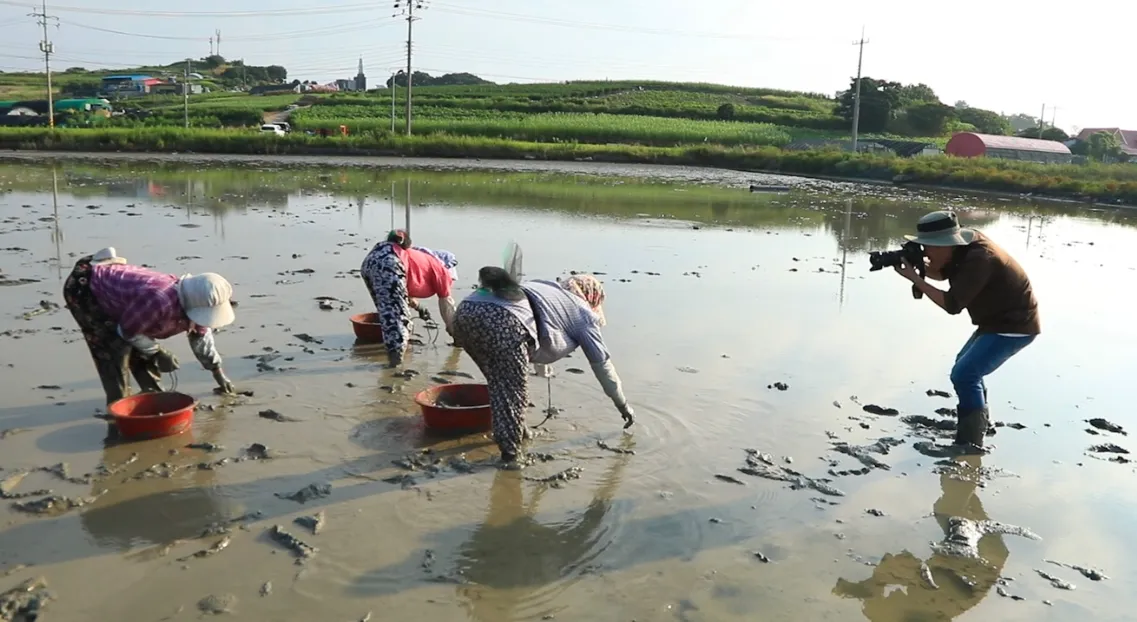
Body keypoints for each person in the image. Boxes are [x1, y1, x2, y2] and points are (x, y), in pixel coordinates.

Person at [451, 267, 634, 464]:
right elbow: (602, 365)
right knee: (512, 392)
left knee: (500, 381)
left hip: (465, 311)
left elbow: (538, 323)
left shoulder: (546, 287)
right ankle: (510, 457)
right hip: (503, 320)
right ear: (591, 299)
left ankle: (519, 430)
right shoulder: (583, 313)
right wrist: (623, 405)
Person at [894, 211, 1040, 451]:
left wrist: (916, 279)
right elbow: (943, 272)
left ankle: (970, 443)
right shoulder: (964, 249)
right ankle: (980, 425)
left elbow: (952, 305)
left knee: (965, 374)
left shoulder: (981, 258)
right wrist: (913, 266)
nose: (926, 254)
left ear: (946, 244)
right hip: (996, 321)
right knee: (966, 366)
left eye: (927, 248)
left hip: (1015, 325)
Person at [62, 247, 237, 405]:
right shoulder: (159, 300)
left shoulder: (194, 305)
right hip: (86, 287)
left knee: (143, 344)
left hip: (129, 305)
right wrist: (159, 352)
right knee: (113, 347)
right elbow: (126, 331)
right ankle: (118, 406)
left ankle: (151, 392)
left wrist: (218, 373)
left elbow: (201, 340)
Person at [360, 230, 457, 366]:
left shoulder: (420, 259)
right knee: (398, 318)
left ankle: (394, 349)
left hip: (371, 260)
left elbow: (400, 294)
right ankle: (395, 365)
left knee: (387, 310)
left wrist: (419, 307)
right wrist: (455, 333)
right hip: (390, 263)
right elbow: (447, 307)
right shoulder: (441, 270)